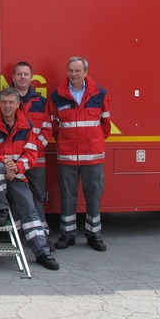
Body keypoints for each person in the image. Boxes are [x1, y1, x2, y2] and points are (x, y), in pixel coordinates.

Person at [0, 87, 59, 270]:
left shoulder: (26, 126)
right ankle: (2, 209)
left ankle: (42, 252)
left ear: (18, 104)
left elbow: (30, 153)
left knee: (29, 208)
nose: (7, 106)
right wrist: (5, 161)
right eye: (3, 102)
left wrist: (18, 166)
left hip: (15, 175)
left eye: (11, 102)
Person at [48, 56, 111, 252]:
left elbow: (105, 125)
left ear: (85, 72)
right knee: (68, 196)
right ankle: (67, 235)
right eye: (70, 70)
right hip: (67, 156)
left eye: (77, 70)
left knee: (94, 196)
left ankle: (94, 235)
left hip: (93, 156)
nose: (73, 74)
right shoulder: (57, 96)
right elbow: (54, 125)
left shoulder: (99, 93)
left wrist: (93, 141)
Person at [0, 62, 53, 242]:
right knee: (15, 197)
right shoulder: (0, 99)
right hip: (10, 162)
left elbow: (48, 129)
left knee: (37, 197)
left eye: (26, 74)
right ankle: (17, 237)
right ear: (13, 77)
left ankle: (42, 236)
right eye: (19, 74)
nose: (23, 77)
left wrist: (32, 148)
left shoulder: (41, 102)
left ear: (31, 77)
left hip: (36, 160)